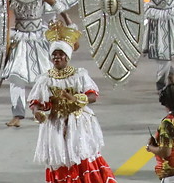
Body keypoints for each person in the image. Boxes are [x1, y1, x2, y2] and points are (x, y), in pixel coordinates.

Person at [29, 27, 112, 183]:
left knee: (81, 155)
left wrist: (74, 98)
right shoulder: (45, 79)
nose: (57, 58)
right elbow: (36, 102)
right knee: (59, 158)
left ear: (67, 57)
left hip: (78, 122)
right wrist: (37, 112)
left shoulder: (79, 74)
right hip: (55, 124)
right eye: (54, 55)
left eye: (60, 55)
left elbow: (93, 96)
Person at [5, 0, 59, 128]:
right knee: (15, 76)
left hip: (38, 37)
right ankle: (17, 114)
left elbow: (57, 6)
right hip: (19, 38)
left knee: (44, 76)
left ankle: (41, 109)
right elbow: (1, 11)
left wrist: (64, 25)